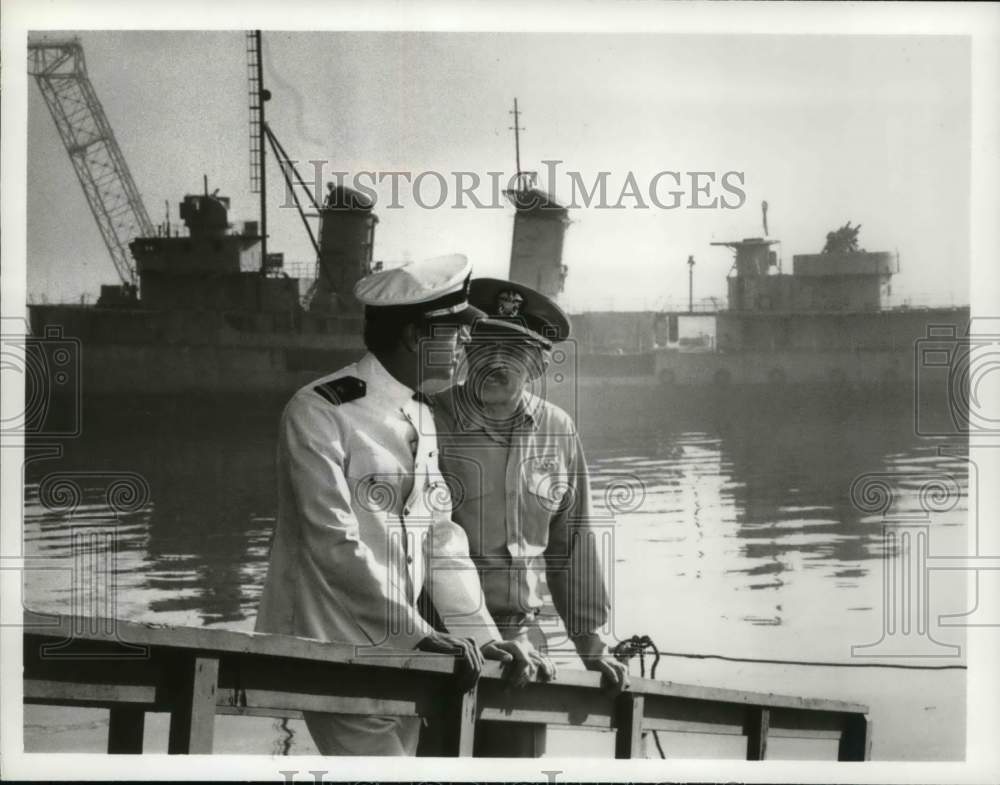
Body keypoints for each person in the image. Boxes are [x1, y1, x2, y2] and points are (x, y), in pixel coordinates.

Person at [255, 255, 534, 756]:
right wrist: (418, 634)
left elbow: (440, 541)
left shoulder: (420, 413)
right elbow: (332, 542)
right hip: (336, 649)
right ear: (414, 336)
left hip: (406, 653)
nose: (469, 342)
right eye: (457, 330)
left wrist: (481, 635)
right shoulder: (320, 411)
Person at [430, 278, 630, 757]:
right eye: (484, 346)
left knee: (515, 763)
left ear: (538, 364)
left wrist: (592, 641)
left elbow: (571, 543)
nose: (496, 362)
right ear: (463, 352)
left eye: (514, 351)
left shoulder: (559, 429)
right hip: (441, 642)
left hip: (524, 643)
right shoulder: (428, 420)